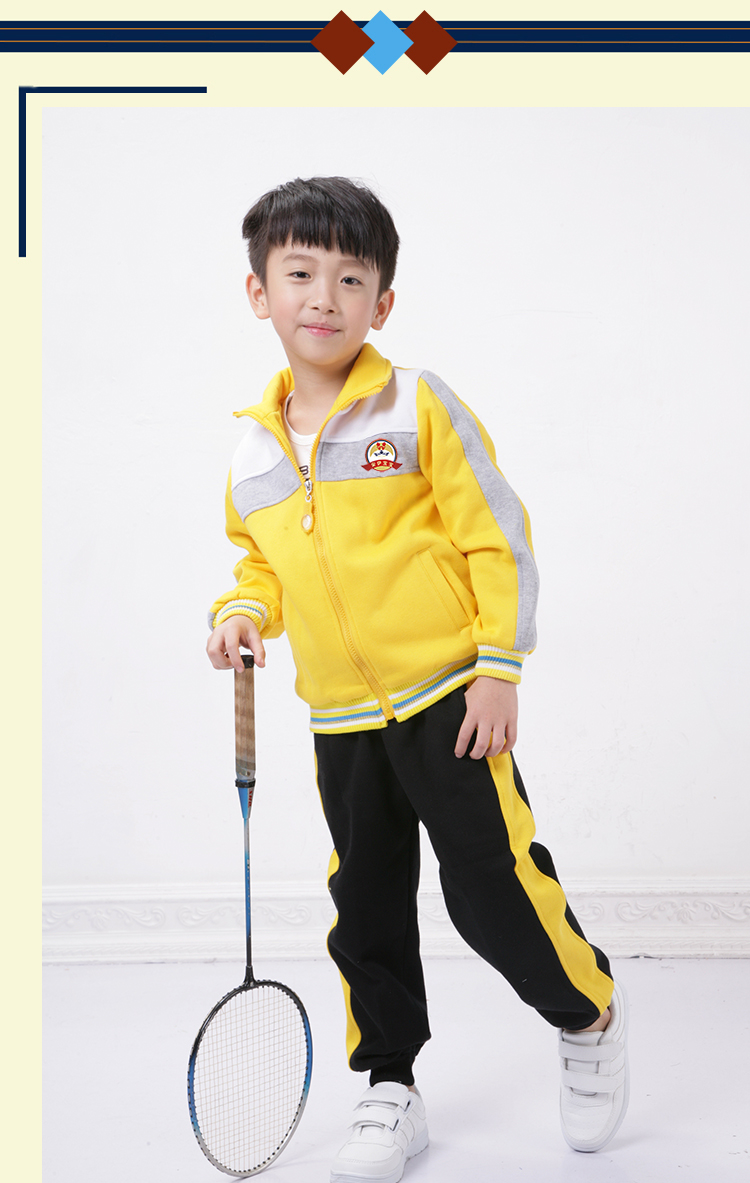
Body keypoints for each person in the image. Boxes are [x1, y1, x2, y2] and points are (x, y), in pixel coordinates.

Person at [206, 176, 629, 1181]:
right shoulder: (252, 454)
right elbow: (260, 564)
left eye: (350, 279)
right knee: (366, 905)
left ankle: (588, 1012)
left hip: (449, 700)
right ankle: (390, 1084)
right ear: (259, 291)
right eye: (299, 273)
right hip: (340, 720)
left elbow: (497, 535)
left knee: (490, 889)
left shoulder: (418, 404)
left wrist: (498, 666)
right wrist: (241, 614)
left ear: (382, 303)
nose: (324, 296)